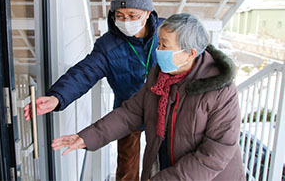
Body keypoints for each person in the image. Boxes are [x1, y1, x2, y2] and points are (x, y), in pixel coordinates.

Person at [52, 13, 245, 181]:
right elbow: (131, 113)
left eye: (164, 45)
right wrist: (87, 137)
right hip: (165, 167)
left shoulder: (220, 91)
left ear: (190, 54)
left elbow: (214, 155)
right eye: (158, 43)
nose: (157, 50)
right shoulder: (159, 75)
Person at [24, 0, 164, 180]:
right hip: (127, 112)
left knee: (160, 163)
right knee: (127, 165)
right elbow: (84, 73)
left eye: (133, 16)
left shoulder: (166, 34)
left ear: (148, 13)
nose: (126, 21)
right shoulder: (107, 45)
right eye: (120, 16)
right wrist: (57, 97)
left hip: (162, 111)